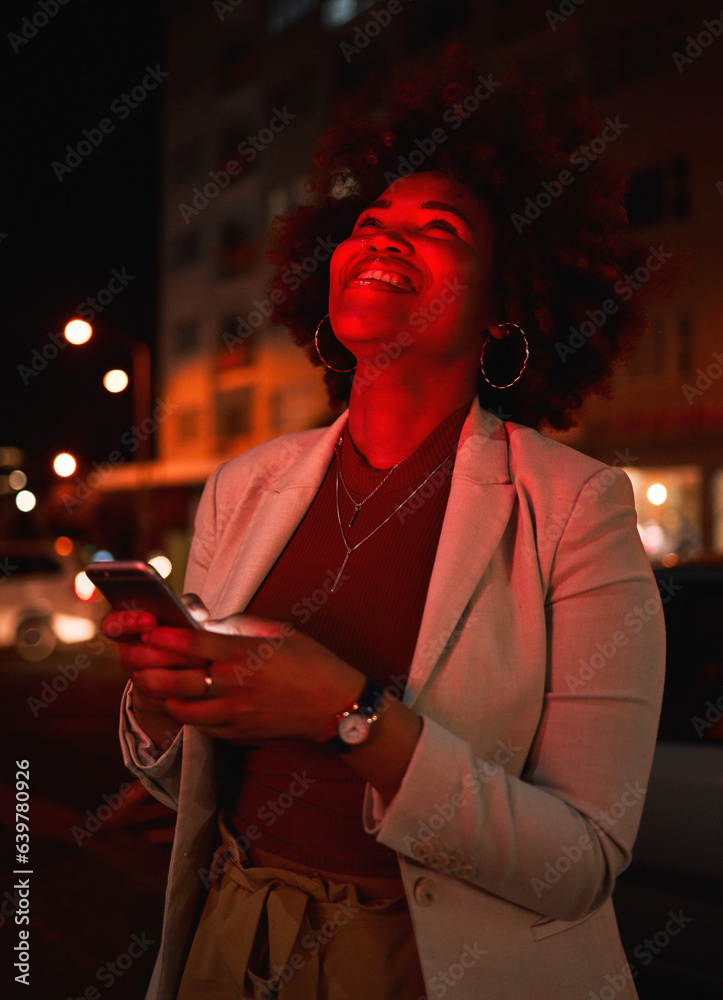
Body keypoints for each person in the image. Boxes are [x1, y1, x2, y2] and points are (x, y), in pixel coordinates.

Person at [108, 51, 665, 1000]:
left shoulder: (574, 506)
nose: (384, 239)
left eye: (437, 227)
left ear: (501, 312)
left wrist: (348, 714)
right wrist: (163, 703)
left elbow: (578, 861)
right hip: (229, 941)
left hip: (431, 968)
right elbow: (190, 783)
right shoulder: (245, 485)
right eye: (368, 223)